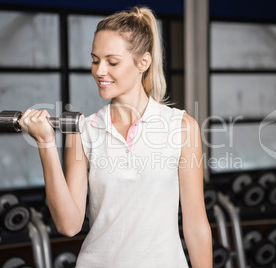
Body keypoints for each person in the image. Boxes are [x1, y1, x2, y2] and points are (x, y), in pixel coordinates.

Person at [20, 6, 212, 268]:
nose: (99, 71)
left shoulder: (181, 127)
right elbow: (69, 225)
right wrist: (45, 144)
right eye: (95, 59)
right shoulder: (83, 132)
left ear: (143, 63)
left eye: (112, 62)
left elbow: (196, 226)